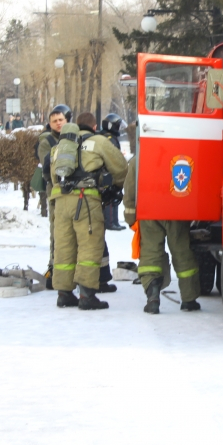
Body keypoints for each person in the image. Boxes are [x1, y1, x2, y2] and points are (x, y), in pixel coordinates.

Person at [50, 112, 127, 310]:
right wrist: (114, 188)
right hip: (85, 200)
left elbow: (52, 176)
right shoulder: (98, 141)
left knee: (64, 247)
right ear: (94, 127)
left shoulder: (60, 146)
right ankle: (86, 295)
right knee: (89, 245)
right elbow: (121, 169)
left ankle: (64, 294)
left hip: (61, 200)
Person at [123, 153, 201, 314]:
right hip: (176, 210)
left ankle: (152, 298)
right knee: (182, 252)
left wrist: (130, 216)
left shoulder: (139, 158)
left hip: (149, 211)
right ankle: (189, 299)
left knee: (150, 253)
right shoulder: (183, 155)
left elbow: (130, 189)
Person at [38, 105, 69, 290]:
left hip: (72, 194)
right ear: (50, 124)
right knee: (56, 231)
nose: (58, 123)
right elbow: (47, 167)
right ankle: (54, 269)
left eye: (61, 120)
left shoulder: (74, 137)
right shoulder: (46, 141)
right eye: (54, 121)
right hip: (55, 192)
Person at [100, 113, 126, 231]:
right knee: (110, 198)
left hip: (110, 171)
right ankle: (110, 222)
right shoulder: (110, 139)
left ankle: (114, 221)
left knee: (115, 195)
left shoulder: (108, 137)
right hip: (108, 172)